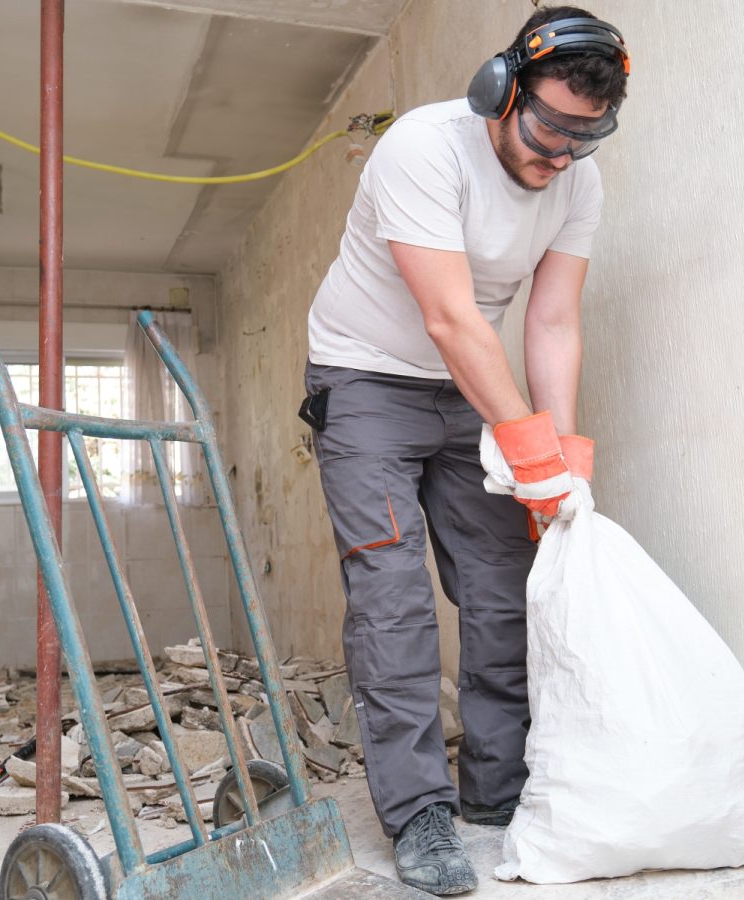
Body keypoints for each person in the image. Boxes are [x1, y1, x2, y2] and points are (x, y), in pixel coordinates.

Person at [300, 6, 630, 895]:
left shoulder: (576, 185)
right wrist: (526, 447)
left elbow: (553, 321)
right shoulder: (422, 149)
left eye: (583, 139)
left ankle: (497, 791)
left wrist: (560, 455)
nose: (559, 155)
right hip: (365, 380)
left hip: (466, 389)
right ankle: (421, 818)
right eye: (548, 128)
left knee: (504, 587)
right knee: (393, 595)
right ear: (501, 89)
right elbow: (449, 314)